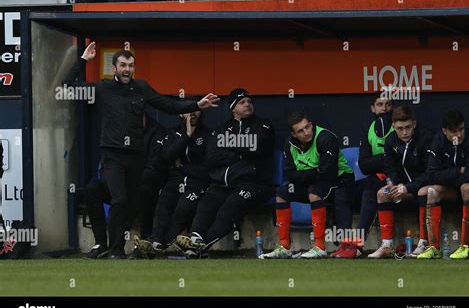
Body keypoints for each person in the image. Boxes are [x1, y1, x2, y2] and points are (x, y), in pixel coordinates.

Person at [64, 42, 219, 258]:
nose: (127, 69)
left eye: (131, 65)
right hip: (113, 154)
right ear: (114, 68)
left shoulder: (142, 88)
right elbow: (67, 87)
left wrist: (197, 105)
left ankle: (125, 245)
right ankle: (114, 249)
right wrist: (83, 61)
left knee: (130, 203)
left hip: (135, 156)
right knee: (119, 200)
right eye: (123, 65)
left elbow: (169, 105)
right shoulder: (102, 88)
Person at [175, 88, 274, 258]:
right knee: (206, 203)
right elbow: (212, 157)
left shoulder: (263, 125)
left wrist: (228, 145)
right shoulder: (221, 128)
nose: (247, 105)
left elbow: (257, 145)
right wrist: (241, 154)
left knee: (228, 209)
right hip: (221, 182)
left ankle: (201, 246)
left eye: (249, 102)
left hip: (252, 183)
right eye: (242, 102)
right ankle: (195, 240)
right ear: (233, 108)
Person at [260, 111, 354, 259]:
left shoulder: (326, 138)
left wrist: (306, 175)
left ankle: (319, 247)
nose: (306, 132)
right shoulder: (289, 143)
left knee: (314, 191)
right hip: (310, 182)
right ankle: (285, 247)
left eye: (308, 126)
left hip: (340, 179)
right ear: (294, 134)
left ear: (311, 124)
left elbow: (326, 172)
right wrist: (313, 172)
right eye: (300, 131)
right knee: (282, 193)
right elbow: (289, 174)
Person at [83, 114, 169, 259]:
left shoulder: (157, 132)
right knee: (93, 189)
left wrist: (130, 181)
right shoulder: (117, 131)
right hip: (118, 184)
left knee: (141, 190)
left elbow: (155, 168)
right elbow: (107, 164)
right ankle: (101, 244)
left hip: (142, 184)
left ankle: (143, 242)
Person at [134, 109, 210, 255]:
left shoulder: (207, 134)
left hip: (197, 182)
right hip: (176, 180)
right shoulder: (173, 133)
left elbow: (208, 165)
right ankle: (156, 242)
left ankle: (167, 242)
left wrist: (183, 167)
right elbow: (167, 156)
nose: (192, 114)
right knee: (163, 204)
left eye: (196, 110)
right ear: (181, 114)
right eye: (188, 111)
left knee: (183, 207)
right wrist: (187, 135)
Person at [331, 95, 394, 258]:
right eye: (380, 104)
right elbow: (365, 165)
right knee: (342, 193)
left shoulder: (398, 126)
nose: (384, 108)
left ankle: (357, 245)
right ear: (373, 108)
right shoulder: (369, 127)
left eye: (388, 104)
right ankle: (345, 243)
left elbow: (397, 162)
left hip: (395, 179)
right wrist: (385, 158)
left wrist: (378, 161)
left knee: (369, 192)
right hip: (374, 177)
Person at [367, 106, 433, 258]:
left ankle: (423, 243)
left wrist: (408, 187)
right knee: (382, 193)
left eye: (408, 127)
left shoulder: (426, 138)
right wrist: (393, 184)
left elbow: (430, 173)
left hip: (424, 186)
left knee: (425, 191)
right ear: (393, 127)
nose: (404, 132)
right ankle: (386, 245)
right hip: (404, 188)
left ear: (414, 124)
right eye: (400, 128)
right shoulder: (391, 140)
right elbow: (390, 168)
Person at [417, 110, 469, 259]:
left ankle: (468, 247)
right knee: (430, 191)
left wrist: (449, 175)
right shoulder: (439, 141)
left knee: (467, 187)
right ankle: (433, 247)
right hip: (453, 189)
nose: (459, 135)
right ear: (444, 131)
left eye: (461, 129)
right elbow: (431, 175)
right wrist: (457, 171)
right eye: (454, 131)